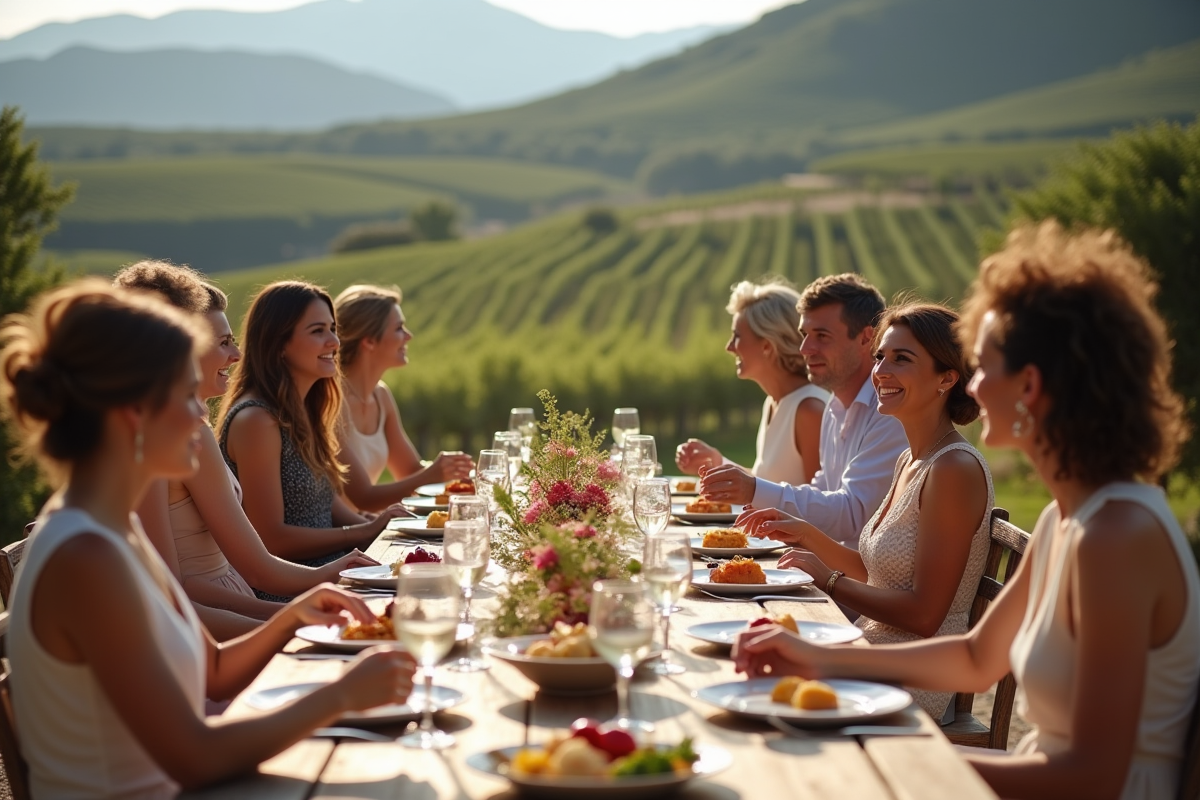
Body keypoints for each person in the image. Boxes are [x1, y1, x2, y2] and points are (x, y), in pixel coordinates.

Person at [733, 223, 1200, 800]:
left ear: (1030, 385)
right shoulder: (1066, 519)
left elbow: (1095, 777)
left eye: (984, 365)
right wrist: (817, 659)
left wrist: (902, 761)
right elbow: (978, 658)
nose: (973, 386)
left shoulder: (1117, 536)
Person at [0, 280, 415, 798]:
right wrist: (340, 698)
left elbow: (214, 670)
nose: (201, 416)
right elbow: (195, 758)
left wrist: (296, 614)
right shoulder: (86, 556)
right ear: (134, 412)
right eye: (185, 395)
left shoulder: (114, 528)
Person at [739, 302, 992, 720]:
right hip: (870, 653)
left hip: (913, 678)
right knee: (754, 655)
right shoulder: (911, 460)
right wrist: (806, 535)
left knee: (761, 682)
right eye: (880, 357)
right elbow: (881, 573)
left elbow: (925, 615)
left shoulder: (953, 469)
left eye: (901, 359)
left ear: (947, 378)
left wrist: (829, 579)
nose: (881, 371)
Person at [114, 262, 378, 633]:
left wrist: (334, 574)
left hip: (228, 605)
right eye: (223, 342)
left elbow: (250, 567)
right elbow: (175, 593)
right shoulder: (164, 441)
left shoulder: (192, 431)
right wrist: (286, 618)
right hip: (208, 625)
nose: (237, 354)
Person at [700, 273, 908, 547]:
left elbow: (853, 514)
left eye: (821, 336)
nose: (805, 349)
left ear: (866, 339)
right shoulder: (834, 408)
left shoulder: (889, 413)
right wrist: (763, 504)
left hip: (852, 574)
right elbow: (822, 489)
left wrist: (756, 490)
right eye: (804, 335)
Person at [218, 281, 406, 572]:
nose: (334, 342)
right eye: (318, 331)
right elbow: (270, 539)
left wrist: (383, 525)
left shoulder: (305, 411)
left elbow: (325, 505)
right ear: (279, 343)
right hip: (294, 585)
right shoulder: (256, 420)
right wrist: (362, 532)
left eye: (332, 329)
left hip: (333, 569)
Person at [333, 284, 473, 512]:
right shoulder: (331, 402)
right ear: (369, 341)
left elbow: (410, 472)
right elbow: (364, 498)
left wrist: (457, 475)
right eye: (399, 328)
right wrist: (433, 473)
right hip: (346, 532)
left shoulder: (381, 396)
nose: (408, 336)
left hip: (368, 526)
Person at [676, 279, 827, 485]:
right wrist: (717, 464)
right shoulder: (773, 402)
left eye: (736, 336)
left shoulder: (810, 411)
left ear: (767, 346)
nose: (729, 347)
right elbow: (766, 483)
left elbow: (819, 501)